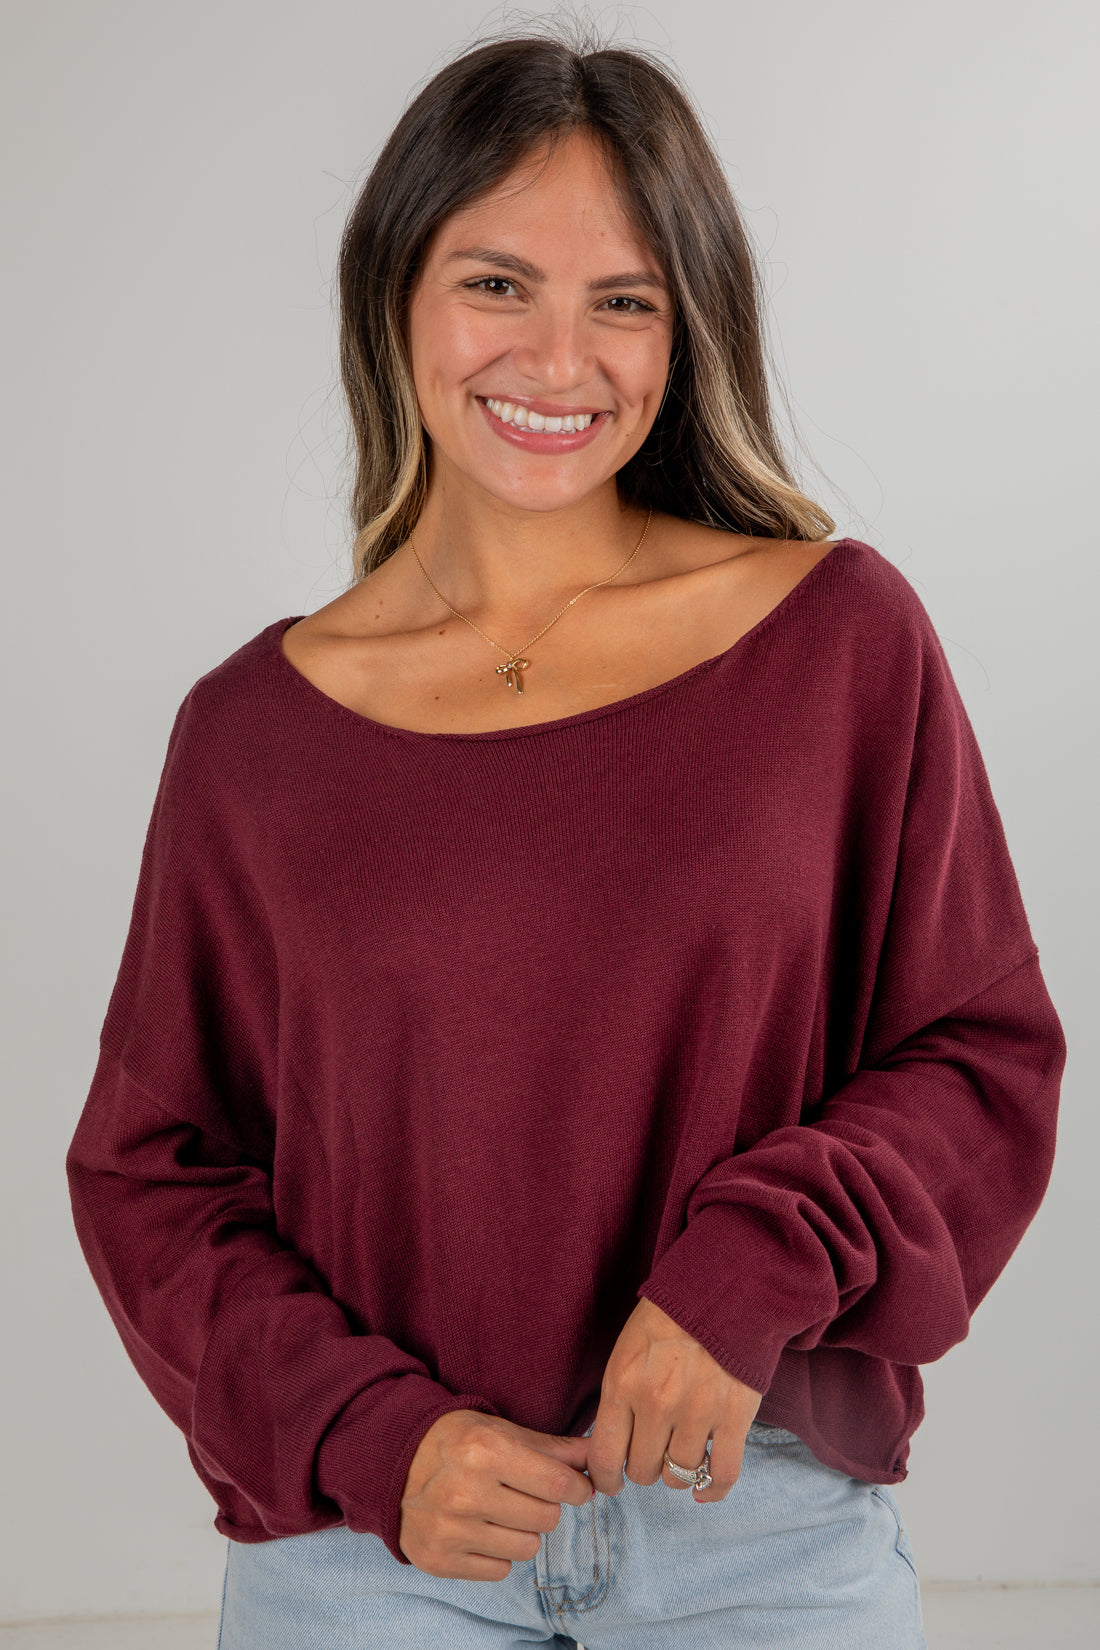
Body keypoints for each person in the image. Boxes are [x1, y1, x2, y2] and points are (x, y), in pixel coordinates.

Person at [65, 27, 1066, 1650]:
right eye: (497, 283)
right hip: (369, 1552)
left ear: (688, 329)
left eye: (625, 300)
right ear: (393, 291)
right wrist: (372, 1434)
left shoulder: (836, 639)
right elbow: (151, 1177)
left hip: (756, 1530)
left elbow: (980, 1054)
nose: (559, 357)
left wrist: (747, 1274)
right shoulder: (254, 733)